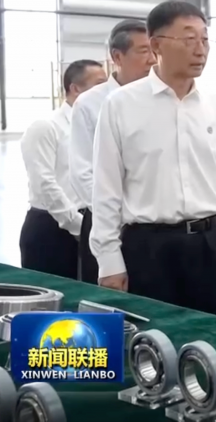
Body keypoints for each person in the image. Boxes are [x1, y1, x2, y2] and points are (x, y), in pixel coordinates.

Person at [89, 0, 216, 318]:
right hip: (150, 249)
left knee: (213, 337)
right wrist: (109, 260)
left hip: (212, 245)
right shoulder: (121, 105)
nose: (200, 50)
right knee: (153, 339)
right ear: (156, 45)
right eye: (189, 39)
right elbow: (106, 189)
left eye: (205, 39)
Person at [69, 19, 156, 284]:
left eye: (154, 50)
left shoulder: (160, 98)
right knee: (111, 299)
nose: (152, 59)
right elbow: (83, 173)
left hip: (152, 228)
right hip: (108, 223)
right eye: (144, 51)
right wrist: (116, 218)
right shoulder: (90, 103)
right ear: (117, 57)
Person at [20, 59, 107, 279]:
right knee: (53, 297)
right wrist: (78, 225)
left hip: (90, 225)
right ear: (75, 88)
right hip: (52, 229)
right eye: (100, 84)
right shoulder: (46, 126)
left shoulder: (98, 127)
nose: (106, 91)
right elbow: (44, 184)